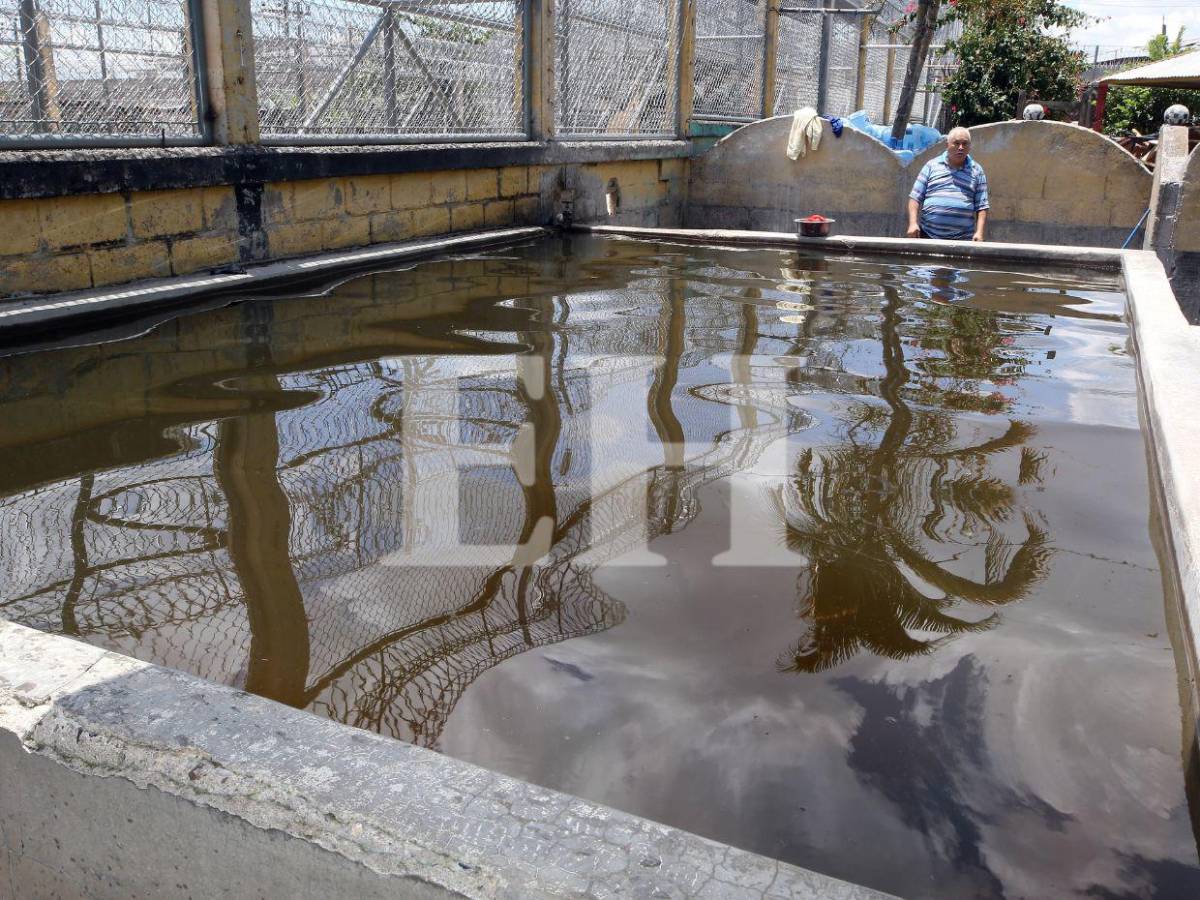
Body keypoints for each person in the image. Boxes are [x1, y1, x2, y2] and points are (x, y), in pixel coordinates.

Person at [906, 128, 989, 242]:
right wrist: (913, 223)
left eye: (965, 144)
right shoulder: (931, 166)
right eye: (956, 143)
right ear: (947, 144)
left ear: (969, 147)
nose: (961, 147)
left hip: (962, 240)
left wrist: (979, 232)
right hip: (928, 236)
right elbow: (915, 198)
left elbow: (982, 206)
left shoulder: (977, 171)